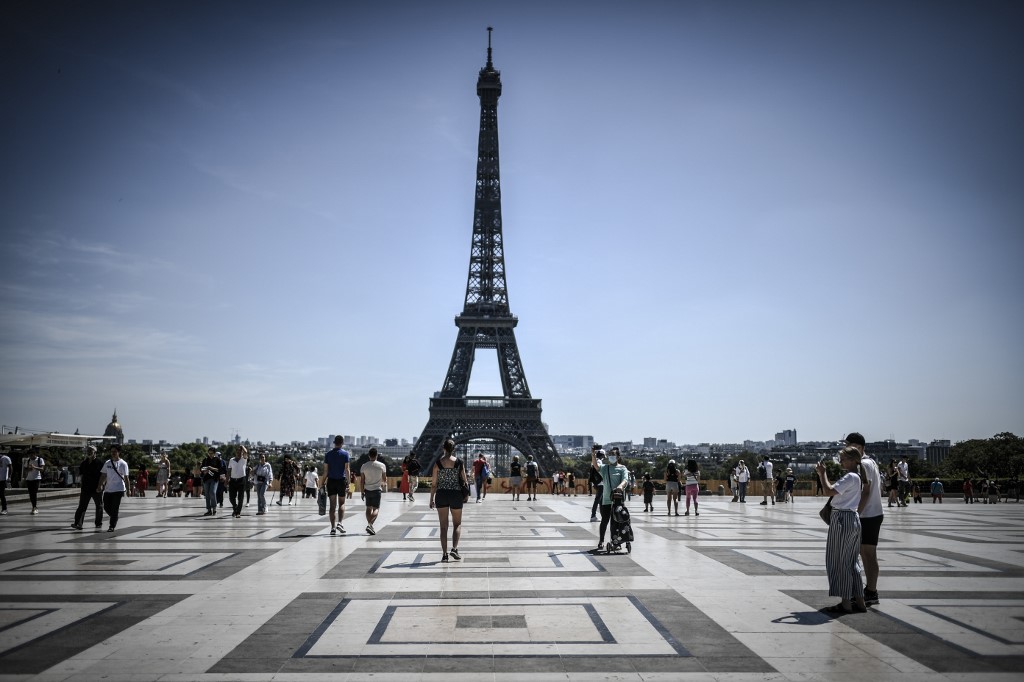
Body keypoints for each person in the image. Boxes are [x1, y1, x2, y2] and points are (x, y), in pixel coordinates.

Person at [816, 445, 867, 614]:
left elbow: (828, 491)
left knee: (840, 561)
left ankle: (846, 603)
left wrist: (822, 474)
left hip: (841, 520)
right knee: (852, 562)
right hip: (852, 518)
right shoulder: (858, 477)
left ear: (853, 460)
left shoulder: (850, 477)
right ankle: (859, 601)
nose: (841, 461)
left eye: (843, 458)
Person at [846, 432, 883, 607]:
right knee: (867, 554)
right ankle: (870, 591)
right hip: (873, 513)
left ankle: (871, 591)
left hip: (867, 514)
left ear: (860, 448)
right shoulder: (871, 462)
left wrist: (856, 513)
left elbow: (865, 492)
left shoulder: (864, 465)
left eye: (850, 446)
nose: (847, 450)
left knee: (868, 554)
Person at [429, 438, 469, 562]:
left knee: (443, 527)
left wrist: (431, 499)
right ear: (453, 449)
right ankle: (454, 549)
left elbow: (434, 484)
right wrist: (466, 495)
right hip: (456, 494)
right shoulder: (459, 462)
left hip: (441, 494)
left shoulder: (438, 463)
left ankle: (444, 555)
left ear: (443, 449)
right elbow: (465, 481)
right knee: (457, 524)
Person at [592, 445, 628, 552]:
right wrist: (593, 455)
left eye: (613, 454)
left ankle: (615, 541)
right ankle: (601, 540)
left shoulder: (622, 468)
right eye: (610, 454)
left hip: (618, 499)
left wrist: (620, 486)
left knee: (616, 521)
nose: (611, 456)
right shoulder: (605, 467)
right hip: (607, 499)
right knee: (605, 520)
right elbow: (596, 466)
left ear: (618, 457)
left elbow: (625, 480)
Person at [97, 445, 131, 532]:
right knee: (106, 507)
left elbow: (126, 478)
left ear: (118, 452)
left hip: (118, 489)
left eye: (115, 451)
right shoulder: (107, 463)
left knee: (115, 508)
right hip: (108, 489)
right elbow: (103, 475)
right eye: (112, 451)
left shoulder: (123, 464)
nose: (113, 453)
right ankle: (114, 517)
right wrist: (100, 485)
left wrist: (128, 489)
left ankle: (112, 526)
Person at [322, 435, 350, 535]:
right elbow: (347, 470)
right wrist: (349, 483)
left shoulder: (328, 454)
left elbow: (325, 471)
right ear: (342, 443)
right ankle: (340, 523)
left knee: (332, 506)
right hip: (341, 481)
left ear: (334, 443)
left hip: (331, 481)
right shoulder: (345, 454)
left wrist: (322, 483)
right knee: (342, 503)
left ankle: (333, 528)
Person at [71, 445, 104, 530]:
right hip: (85, 488)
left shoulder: (100, 463)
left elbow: (104, 475)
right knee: (82, 506)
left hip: (96, 488)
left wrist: (101, 485)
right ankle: (78, 523)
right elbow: (79, 473)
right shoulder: (84, 463)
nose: (89, 452)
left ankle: (98, 523)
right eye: (88, 450)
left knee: (99, 506)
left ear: (95, 452)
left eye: (91, 450)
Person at [360, 447, 387, 535]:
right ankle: (370, 524)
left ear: (369, 456)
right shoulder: (382, 465)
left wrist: (362, 491)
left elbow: (362, 480)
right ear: (376, 455)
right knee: (376, 509)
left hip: (367, 490)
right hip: (377, 490)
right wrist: (383, 483)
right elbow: (384, 478)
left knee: (368, 508)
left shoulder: (364, 466)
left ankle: (369, 525)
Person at [200, 450, 226, 516]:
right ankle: (209, 510)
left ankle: (214, 508)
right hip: (206, 479)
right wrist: (204, 470)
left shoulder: (218, 460)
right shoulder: (205, 460)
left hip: (214, 479)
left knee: (212, 492)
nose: (210, 454)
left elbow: (220, 469)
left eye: (211, 453)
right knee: (207, 494)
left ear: (214, 453)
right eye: (209, 453)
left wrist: (212, 468)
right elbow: (201, 468)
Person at [226, 446, 248, 518]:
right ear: (235, 452)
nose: (239, 453)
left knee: (240, 498)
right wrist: (226, 480)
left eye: (240, 452)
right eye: (237, 452)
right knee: (231, 497)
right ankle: (235, 508)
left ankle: (238, 512)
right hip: (233, 480)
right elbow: (229, 471)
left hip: (241, 480)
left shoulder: (244, 459)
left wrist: (242, 447)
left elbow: (246, 452)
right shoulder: (231, 460)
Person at [24, 448, 45, 514]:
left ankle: (35, 507)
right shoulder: (28, 460)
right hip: (29, 478)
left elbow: (42, 469)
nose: (30, 456)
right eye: (29, 455)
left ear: (34, 454)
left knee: (34, 493)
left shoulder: (39, 459)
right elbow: (25, 469)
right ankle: (33, 507)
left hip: (36, 478)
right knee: (31, 494)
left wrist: (34, 467)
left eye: (31, 455)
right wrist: (29, 469)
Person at [590, 446, 605, 521]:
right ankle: (593, 515)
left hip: (597, 483)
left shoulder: (595, 461)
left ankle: (602, 516)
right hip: (600, 483)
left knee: (600, 500)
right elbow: (599, 470)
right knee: (598, 500)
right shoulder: (598, 461)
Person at [0, 450, 10, 515]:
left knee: (1, 494)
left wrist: (9, 477)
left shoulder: (5, 458)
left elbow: (11, 467)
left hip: (2, 479)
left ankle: (4, 509)